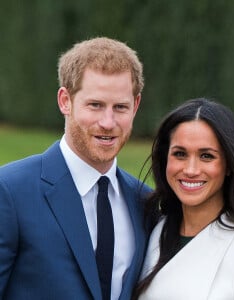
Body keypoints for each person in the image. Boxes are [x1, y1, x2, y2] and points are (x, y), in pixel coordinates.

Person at [0, 37, 151, 300]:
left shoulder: (145, 202)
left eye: (120, 107)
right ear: (65, 101)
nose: (108, 122)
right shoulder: (10, 191)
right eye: (95, 105)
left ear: (135, 106)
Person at [133, 98, 234, 300]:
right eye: (180, 154)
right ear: (165, 160)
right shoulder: (155, 231)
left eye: (206, 156)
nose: (190, 170)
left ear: (230, 165)